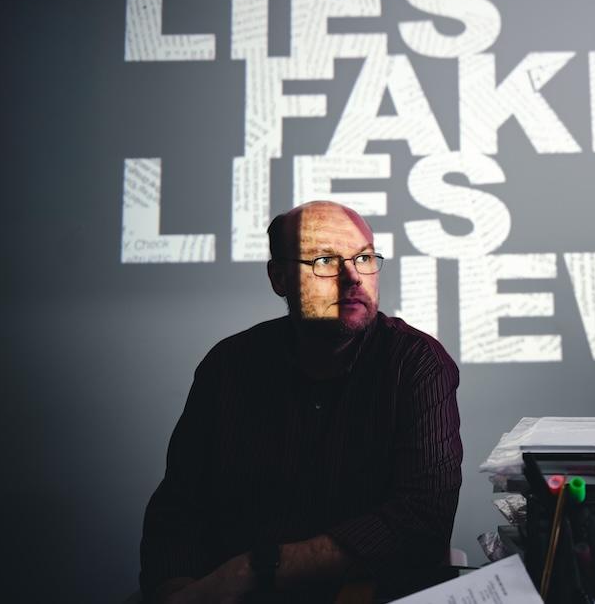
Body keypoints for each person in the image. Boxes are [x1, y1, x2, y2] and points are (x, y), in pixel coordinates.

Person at [140, 201, 463, 603]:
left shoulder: (416, 364)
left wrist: (253, 570)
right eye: (325, 260)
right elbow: (178, 508)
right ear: (279, 278)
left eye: (364, 258)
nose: (353, 277)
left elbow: (421, 519)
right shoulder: (227, 366)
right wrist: (177, 592)